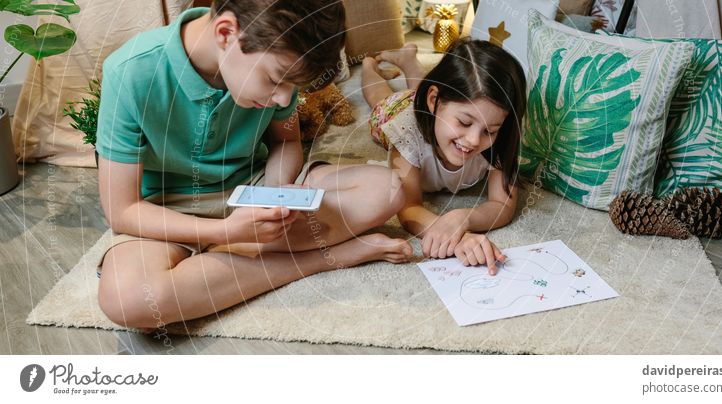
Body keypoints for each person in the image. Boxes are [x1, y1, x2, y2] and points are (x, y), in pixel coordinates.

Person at [95, 0, 411, 330]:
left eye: (293, 86)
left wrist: (275, 194)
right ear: (226, 33)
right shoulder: (131, 71)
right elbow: (122, 210)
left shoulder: (275, 82)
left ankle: (221, 263)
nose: (284, 99)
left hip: (252, 187)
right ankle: (319, 260)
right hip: (165, 211)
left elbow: (286, 141)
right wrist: (225, 231)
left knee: (387, 190)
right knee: (129, 299)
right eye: (275, 79)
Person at [361, 39, 527, 276]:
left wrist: (463, 218)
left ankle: (409, 61)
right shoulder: (406, 131)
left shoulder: (500, 134)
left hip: (433, 103)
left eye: (488, 131)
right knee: (379, 96)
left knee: (424, 89)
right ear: (433, 101)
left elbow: (503, 205)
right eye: (465, 122)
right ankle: (368, 66)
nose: (473, 140)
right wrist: (453, 235)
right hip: (398, 110)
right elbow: (408, 208)